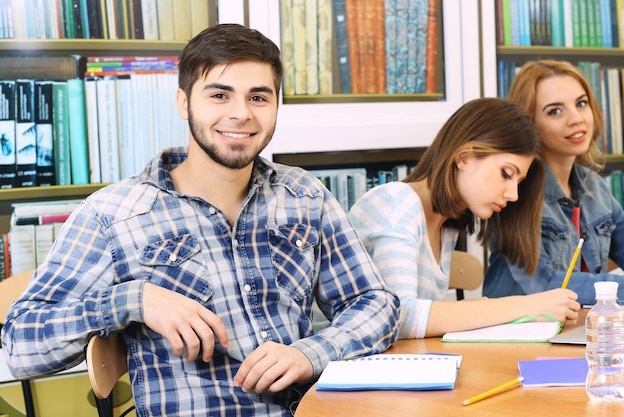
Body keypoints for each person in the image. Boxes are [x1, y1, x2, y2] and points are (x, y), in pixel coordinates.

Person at [1, 24, 400, 416]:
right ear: (183, 102)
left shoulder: (306, 195)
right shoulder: (113, 215)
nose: (241, 114)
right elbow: (20, 344)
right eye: (220, 95)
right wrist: (134, 299)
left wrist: (309, 353)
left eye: (258, 97)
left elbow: (375, 304)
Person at [348, 97, 580, 339]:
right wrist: (528, 305)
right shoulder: (396, 201)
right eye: (506, 174)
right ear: (464, 157)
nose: (513, 195)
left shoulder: (444, 226)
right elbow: (399, 316)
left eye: (518, 182)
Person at [483, 59, 624, 305]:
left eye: (581, 104)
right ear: (528, 124)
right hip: (516, 335)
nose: (576, 119)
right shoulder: (513, 195)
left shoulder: (595, 187)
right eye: (555, 111)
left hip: (576, 329)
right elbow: (545, 285)